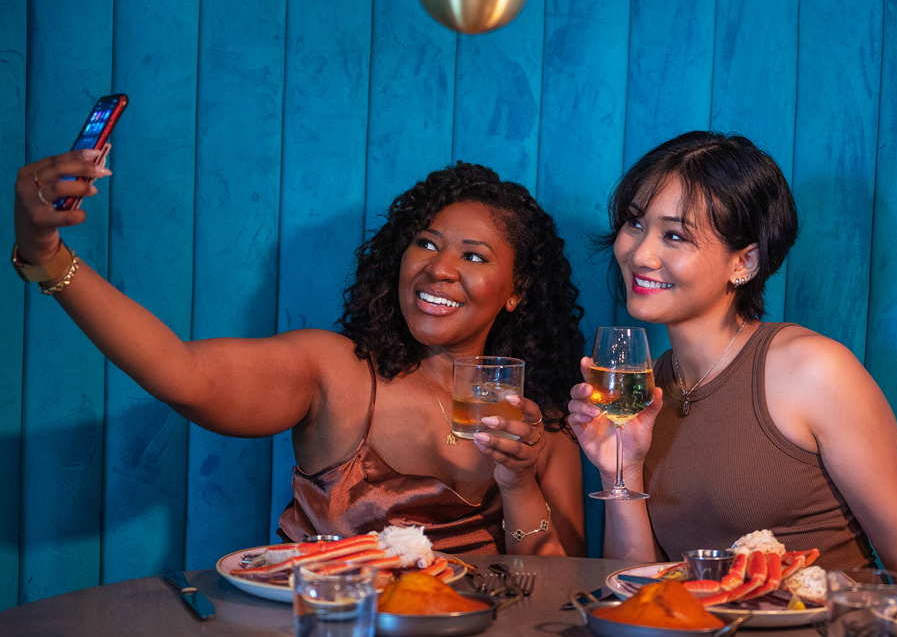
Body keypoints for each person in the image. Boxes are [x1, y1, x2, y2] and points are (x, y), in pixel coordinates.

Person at [14, 153, 586, 556]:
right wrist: (46, 254)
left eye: (476, 257)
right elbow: (180, 373)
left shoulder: (543, 429)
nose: (440, 268)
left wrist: (517, 481)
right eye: (427, 243)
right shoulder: (335, 370)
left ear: (517, 292)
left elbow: (551, 592)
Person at [568, 131, 897, 623]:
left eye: (675, 235)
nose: (640, 254)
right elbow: (641, 589)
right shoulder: (646, 389)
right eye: (635, 224)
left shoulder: (812, 370)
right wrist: (621, 471)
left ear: (744, 261)